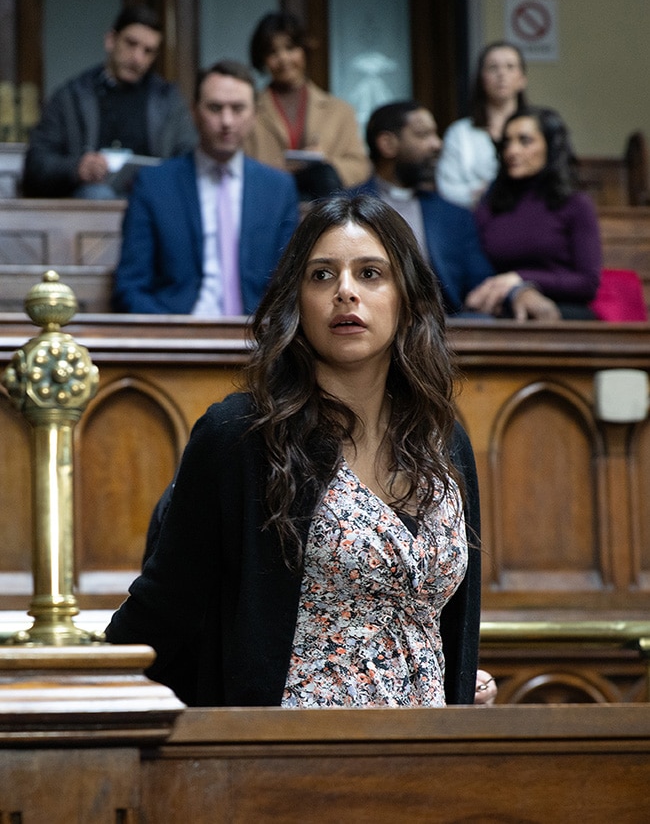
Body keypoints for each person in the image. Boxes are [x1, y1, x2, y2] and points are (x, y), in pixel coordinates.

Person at [105, 193, 482, 708]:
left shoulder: (443, 439)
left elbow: (454, 622)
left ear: (407, 297)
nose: (346, 292)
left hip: (427, 753)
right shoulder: (241, 434)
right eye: (322, 275)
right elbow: (165, 609)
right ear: (296, 301)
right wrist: (91, 693)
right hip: (287, 756)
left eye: (371, 273)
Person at [112, 59, 299, 315]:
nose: (226, 121)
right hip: (177, 338)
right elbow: (130, 286)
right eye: (214, 108)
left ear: (255, 114)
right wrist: (170, 335)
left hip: (257, 338)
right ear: (194, 112)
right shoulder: (154, 185)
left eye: (238, 109)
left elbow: (290, 287)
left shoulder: (278, 189)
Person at [352, 100, 560, 321]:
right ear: (388, 144)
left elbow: (481, 280)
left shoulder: (452, 215)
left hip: (439, 331)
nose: (437, 144)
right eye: (424, 135)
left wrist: (518, 293)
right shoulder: (344, 209)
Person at [22, 5, 197, 199]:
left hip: (153, 198)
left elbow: (189, 157)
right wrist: (76, 168)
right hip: (89, 202)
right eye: (131, 44)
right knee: (97, 194)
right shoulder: (71, 96)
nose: (138, 58)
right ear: (111, 40)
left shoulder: (168, 100)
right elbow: (37, 164)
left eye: (148, 51)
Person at [468, 106, 602, 320]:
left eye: (525, 140)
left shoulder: (576, 204)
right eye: (507, 142)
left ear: (550, 147)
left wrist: (520, 278)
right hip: (504, 307)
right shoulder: (491, 204)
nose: (512, 151)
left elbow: (587, 283)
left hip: (563, 311)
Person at [244, 11, 370, 200]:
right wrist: (274, 169)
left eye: (290, 48)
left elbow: (360, 166)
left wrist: (325, 166)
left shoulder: (340, 110)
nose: (284, 59)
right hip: (266, 205)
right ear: (262, 59)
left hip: (324, 213)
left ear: (304, 49)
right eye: (272, 52)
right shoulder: (246, 109)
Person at [436, 41, 528, 209]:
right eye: (493, 67)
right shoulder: (460, 132)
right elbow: (447, 189)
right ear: (481, 78)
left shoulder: (536, 129)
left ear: (522, 79)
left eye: (510, 66)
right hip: (472, 219)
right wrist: (482, 194)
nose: (502, 74)